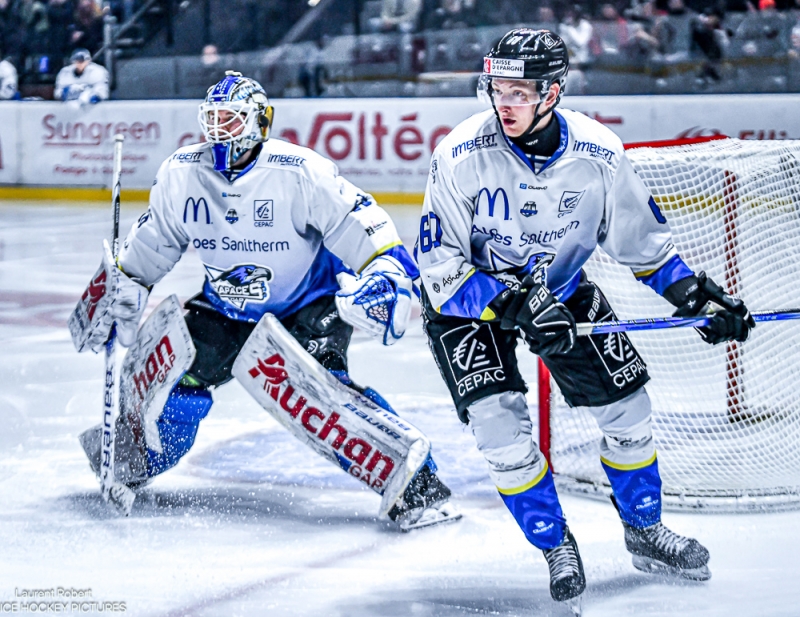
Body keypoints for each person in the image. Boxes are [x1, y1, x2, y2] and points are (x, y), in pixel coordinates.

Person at [416, 29, 754, 605]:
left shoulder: (599, 153)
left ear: (552, 93)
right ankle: (555, 545)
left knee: (629, 408)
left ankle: (645, 530)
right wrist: (512, 303)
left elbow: (642, 247)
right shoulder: (459, 153)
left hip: (562, 290)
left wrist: (695, 298)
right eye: (498, 89)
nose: (505, 103)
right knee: (500, 433)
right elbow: (436, 264)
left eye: (520, 92)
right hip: (469, 302)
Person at [75, 71, 459, 531]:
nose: (220, 130)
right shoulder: (182, 174)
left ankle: (420, 485)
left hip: (307, 306)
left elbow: (358, 221)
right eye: (212, 119)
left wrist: (386, 271)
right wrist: (124, 286)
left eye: (232, 120)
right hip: (225, 308)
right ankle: (136, 458)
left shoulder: (300, 172)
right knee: (173, 378)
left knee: (321, 394)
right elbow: (155, 240)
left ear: (259, 123)